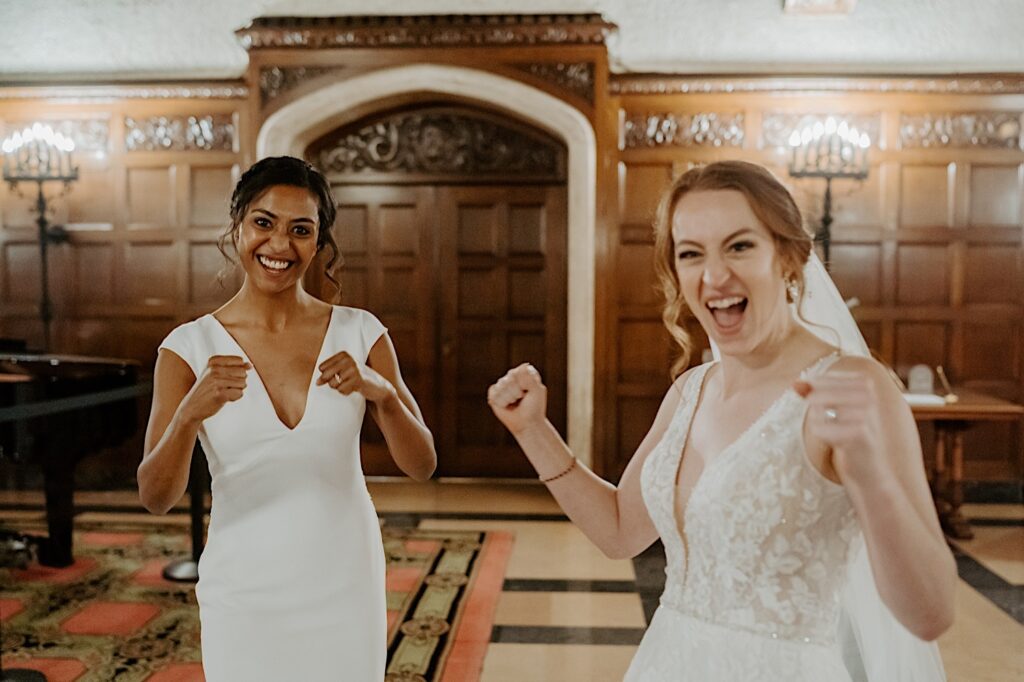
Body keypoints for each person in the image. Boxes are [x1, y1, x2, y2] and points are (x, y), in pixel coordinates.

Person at [488, 160, 954, 681]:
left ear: (790, 257)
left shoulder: (851, 387)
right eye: (691, 254)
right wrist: (533, 430)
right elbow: (619, 531)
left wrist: (873, 481)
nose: (714, 275)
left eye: (739, 246)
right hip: (667, 661)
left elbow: (930, 614)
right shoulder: (692, 390)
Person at [138, 156, 436, 681]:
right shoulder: (187, 349)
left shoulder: (362, 332)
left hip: (345, 579)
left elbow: (423, 465)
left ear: (320, 244)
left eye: (301, 230)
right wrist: (188, 416)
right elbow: (155, 497)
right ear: (237, 227)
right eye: (263, 222)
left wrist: (382, 394)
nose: (280, 245)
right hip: (243, 586)